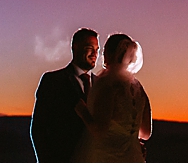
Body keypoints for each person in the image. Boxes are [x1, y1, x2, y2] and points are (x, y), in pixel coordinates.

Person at [73, 33, 152, 162]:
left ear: (111, 53)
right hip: (133, 157)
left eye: (104, 51)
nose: (102, 55)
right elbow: (146, 132)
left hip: (106, 156)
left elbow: (100, 130)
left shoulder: (108, 84)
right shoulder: (138, 88)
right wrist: (128, 137)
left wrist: (82, 111)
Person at [31, 28, 99, 162]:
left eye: (97, 49)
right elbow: (39, 128)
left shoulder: (102, 85)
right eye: (89, 48)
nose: (94, 54)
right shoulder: (53, 80)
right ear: (75, 47)